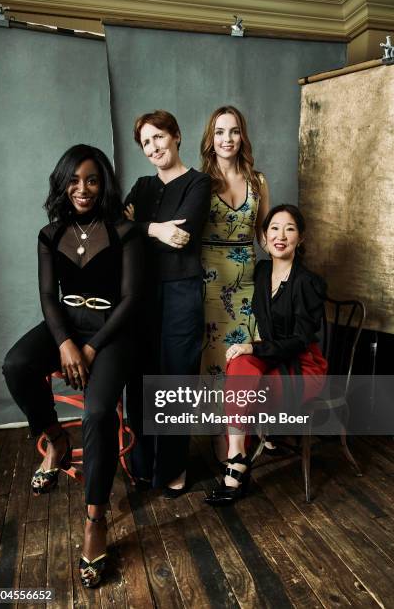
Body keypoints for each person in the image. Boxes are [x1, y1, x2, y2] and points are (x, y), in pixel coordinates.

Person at [2, 144, 143, 587]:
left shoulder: (126, 231)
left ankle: (95, 519)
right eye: (75, 180)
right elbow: (48, 296)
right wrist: (65, 341)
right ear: (63, 183)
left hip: (112, 332)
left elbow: (132, 299)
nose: (83, 189)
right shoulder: (50, 234)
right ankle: (55, 439)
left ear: (104, 184)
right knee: (17, 364)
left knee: (99, 412)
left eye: (93, 180)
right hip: (67, 324)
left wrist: (90, 348)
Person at [204, 204, 328, 505]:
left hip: (302, 364)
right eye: (274, 228)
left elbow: (300, 341)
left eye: (289, 229)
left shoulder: (308, 283)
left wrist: (253, 347)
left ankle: (235, 470)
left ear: (300, 237)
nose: (280, 235)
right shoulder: (260, 272)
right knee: (239, 365)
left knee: (247, 379)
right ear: (264, 235)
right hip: (271, 355)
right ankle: (238, 454)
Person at [124, 110, 211, 497]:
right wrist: (156, 228)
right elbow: (117, 228)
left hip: (182, 293)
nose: (153, 147)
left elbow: (186, 232)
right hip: (140, 295)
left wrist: (141, 229)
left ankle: (174, 467)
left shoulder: (199, 182)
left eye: (158, 137)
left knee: (176, 379)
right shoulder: (141, 186)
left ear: (176, 136)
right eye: (146, 142)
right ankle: (141, 465)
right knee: (140, 377)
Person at [199, 105, 270, 463]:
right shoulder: (199, 182)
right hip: (210, 283)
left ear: (243, 136)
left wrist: (287, 263)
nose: (227, 139)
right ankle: (219, 434)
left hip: (247, 285)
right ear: (211, 140)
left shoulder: (258, 181)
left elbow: (262, 234)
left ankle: (241, 432)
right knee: (212, 361)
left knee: (240, 359)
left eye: (234, 131)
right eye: (220, 132)